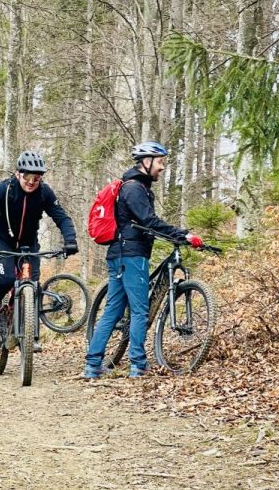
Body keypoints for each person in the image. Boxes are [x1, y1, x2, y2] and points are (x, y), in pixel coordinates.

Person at [84, 141, 204, 379]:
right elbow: (149, 221)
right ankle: (138, 364)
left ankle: (92, 364)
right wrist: (183, 234)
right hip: (132, 255)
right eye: (159, 162)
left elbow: (143, 223)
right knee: (140, 310)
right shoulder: (134, 188)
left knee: (113, 311)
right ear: (146, 162)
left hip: (120, 254)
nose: (162, 168)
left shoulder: (132, 187)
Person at [0, 150, 78, 344]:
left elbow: (61, 217)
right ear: (18, 173)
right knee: (5, 279)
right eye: (27, 176)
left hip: (29, 243)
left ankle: (30, 335)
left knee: (33, 286)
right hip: (1, 239)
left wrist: (70, 240)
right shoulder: (4, 189)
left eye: (37, 177)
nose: (31, 181)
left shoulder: (44, 192)